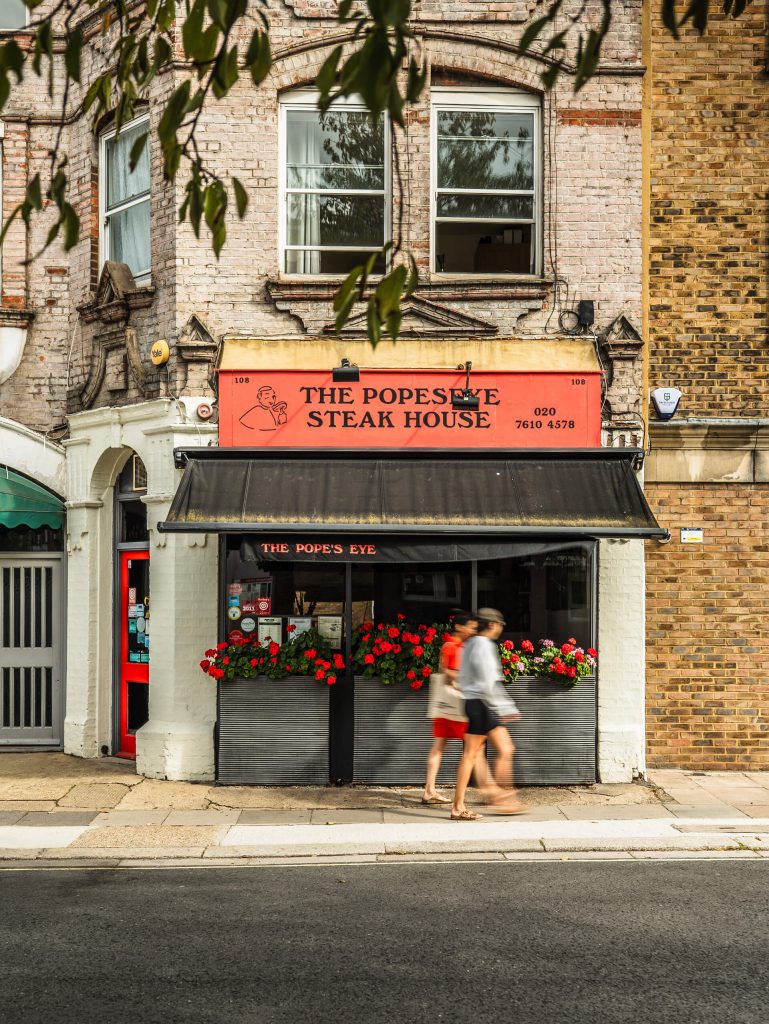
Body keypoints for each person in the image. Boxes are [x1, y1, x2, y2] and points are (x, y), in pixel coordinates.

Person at [451, 607, 526, 821]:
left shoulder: (470, 644)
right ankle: (458, 807)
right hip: (481, 704)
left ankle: (503, 798)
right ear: (492, 624)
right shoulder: (483, 645)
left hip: (477, 703)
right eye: (500, 624)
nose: (501, 628)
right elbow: (487, 683)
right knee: (471, 756)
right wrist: (505, 707)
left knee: (505, 749)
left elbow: (464, 678)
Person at [421, 611, 478, 805]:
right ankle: (490, 791)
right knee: (474, 748)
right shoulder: (456, 647)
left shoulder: (448, 645)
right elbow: (451, 674)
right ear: (460, 627)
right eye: (470, 626)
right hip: (455, 706)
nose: (473, 630)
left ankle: (429, 790)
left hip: (444, 705)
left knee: (439, 747)